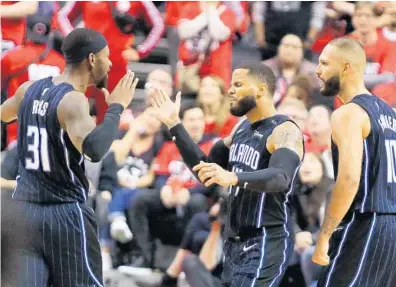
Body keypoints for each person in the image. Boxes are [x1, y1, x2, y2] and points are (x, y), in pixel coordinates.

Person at [0, 28, 139, 286]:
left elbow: (3, 115)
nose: (110, 63)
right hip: (64, 213)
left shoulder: (28, 89)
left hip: (23, 213)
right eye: (107, 56)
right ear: (92, 59)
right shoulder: (73, 100)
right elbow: (95, 150)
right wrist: (117, 107)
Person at [150, 62, 305, 286]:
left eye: (239, 84)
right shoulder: (240, 129)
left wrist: (233, 177)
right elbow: (206, 169)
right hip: (235, 239)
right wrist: (175, 124)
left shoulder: (284, 130)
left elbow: (281, 178)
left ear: (260, 89)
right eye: (231, 84)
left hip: (266, 238)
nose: (230, 90)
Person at [312, 37, 396, 286]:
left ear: (346, 68)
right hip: (390, 224)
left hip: (366, 221)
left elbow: (349, 180)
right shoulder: (388, 112)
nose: (318, 70)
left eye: (325, 63)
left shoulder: (347, 113)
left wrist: (325, 233)